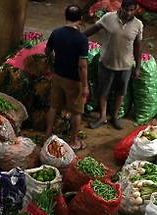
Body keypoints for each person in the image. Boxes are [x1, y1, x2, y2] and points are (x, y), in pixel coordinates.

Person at [84, 0, 143, 130]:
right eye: (126, 9)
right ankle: (102, 116)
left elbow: (138, 47)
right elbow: (93, 30)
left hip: (126, 65)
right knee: (103, 91)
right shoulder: (108, 18)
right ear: (121, 7)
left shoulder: (138, 25)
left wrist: (137, 67)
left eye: (131, 10)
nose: (128, 12)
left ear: (135, 10)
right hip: (106, 63)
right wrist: (78, 37)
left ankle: (114, 117)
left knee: (120, 92)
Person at [45, 5, 89, 151]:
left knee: (53, 107)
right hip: (73, 80)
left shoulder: (56, 33)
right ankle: (74, 141)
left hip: (57, 76)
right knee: (76, 112)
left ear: (65, 16)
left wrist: (53, 64)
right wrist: (84, 86)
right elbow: (82, 66)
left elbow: (47, 51)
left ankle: (47, 135)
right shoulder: (81, 39)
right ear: (80, 19)